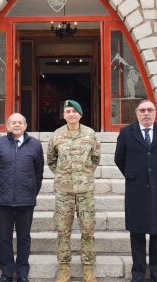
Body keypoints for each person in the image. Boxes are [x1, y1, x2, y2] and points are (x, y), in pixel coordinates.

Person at [114, 99, 157, 282]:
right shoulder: (126, 132)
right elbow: (119, 158)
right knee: (137, 233)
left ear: (155, 113)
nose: (146, 113)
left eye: (150, 110)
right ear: (137, 113)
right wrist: (133, 175)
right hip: (136, 189)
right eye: (142, 110)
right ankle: (138, 274)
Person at [47, 100, 101, 282]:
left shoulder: (90, 134)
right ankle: (64, 268)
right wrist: (63, 176)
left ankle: (88, 268)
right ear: (63, 115)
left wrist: (83, 175)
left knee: (87, 229)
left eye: (74, 111)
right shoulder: (56, 135)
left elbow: (95, 158)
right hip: (64, 192)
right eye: (67, 111)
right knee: (63, 230)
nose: (70, 114)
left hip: (85, 191)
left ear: (80, 114)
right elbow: (51, 160)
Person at [0, 113, 44, 282]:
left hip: (26, 200)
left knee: (24, 237)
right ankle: (6, 272)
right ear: (8, 126)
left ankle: (22, 272)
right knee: (4, 237)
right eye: (14, 123)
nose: (17, 125)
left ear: (26, 126)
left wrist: (32, 191)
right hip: (3, 200)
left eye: (20, 122)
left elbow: (38, 172)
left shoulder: (35, 145)